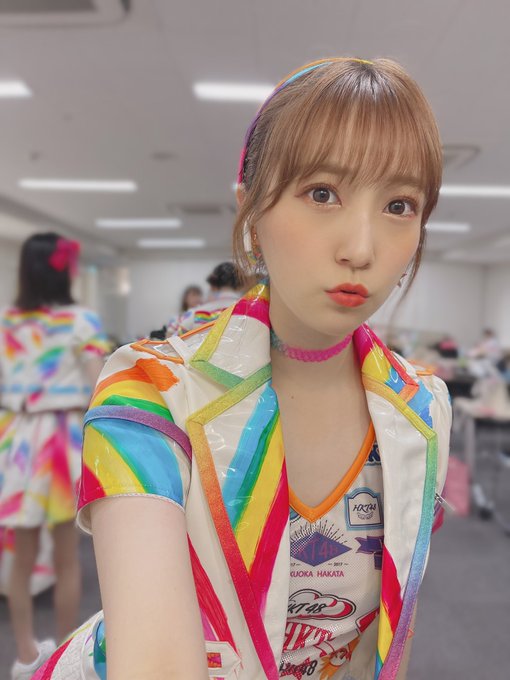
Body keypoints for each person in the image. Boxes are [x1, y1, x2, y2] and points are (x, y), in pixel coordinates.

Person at [35, 58, 451, 680]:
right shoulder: (151, 390)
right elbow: (156, 665)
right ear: (251, 210)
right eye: (322, 193)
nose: (361, 249)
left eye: (399, 204)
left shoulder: (423, 407)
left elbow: (391, 634)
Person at [0, 233, 110, 679]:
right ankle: (65, 653)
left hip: (17, 439)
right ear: (64, 270)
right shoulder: (81, 320)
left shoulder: (8, 322)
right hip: (62, 438)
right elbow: (100, 386)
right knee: (67, 556)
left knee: (19, 554)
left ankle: (25, 652)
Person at [166, 261, 243, 336]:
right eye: (193, 295)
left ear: (213, 285)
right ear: (240, 285)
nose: (197, 298)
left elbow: (173, 341)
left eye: (198, 295)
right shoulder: (247, 309)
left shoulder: (196, 314)